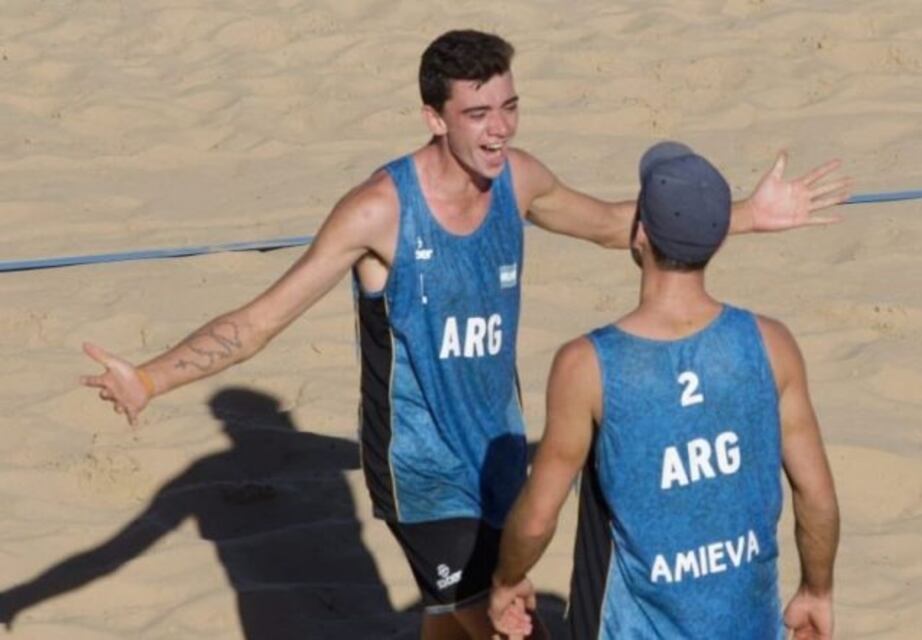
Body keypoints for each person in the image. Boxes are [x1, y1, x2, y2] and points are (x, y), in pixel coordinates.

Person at [82, 30, 848, 639]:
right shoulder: (379, 210)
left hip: (500, 450)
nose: (499, 129)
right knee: (506, 625)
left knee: (454, 619)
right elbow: (259, 321)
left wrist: (750, 214)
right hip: (421, 469)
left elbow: (620, 226)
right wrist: (149, 379)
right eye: (478, 115)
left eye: (509, 107)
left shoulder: (519, 179)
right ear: (433, 118)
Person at [489, 142, 840, 639]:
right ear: (718, 238)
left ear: (640, 235)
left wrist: (507, 579)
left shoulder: (586, 365)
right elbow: (816, 495)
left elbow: (537, 518)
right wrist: (817, 591)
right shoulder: (771, 344)